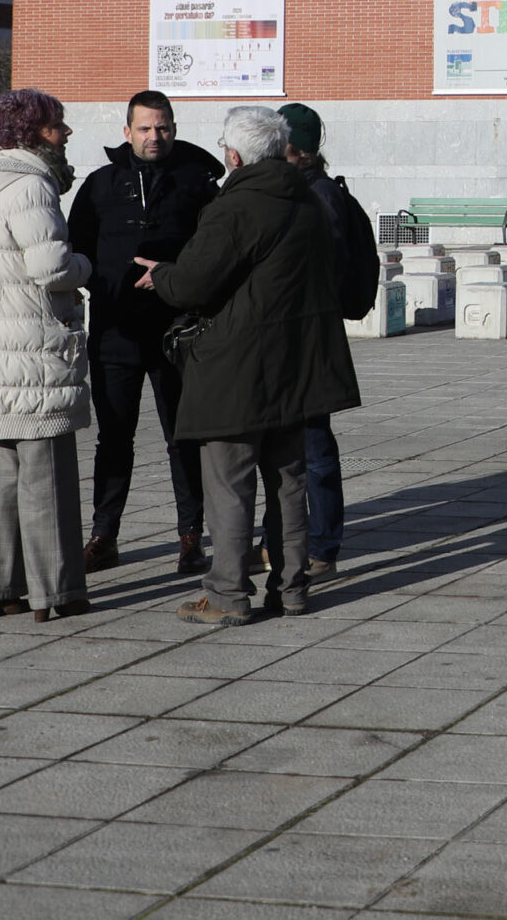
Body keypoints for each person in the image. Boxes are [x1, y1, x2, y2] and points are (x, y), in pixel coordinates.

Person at [141, 104, 361, 627]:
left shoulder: (237, 205)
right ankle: (290, 588)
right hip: (297, 365)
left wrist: (163, 275)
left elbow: (195, 281)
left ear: (235, 154)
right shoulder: (307, 199)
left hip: (238, 368)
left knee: (230, 483)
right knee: (288, 479)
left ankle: (227, 594)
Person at [0, 88, 93, 623]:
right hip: (32, 357)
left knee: (0, 480)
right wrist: (88, 268)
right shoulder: (30, 186)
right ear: (33, 134)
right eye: (58, 126)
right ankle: (57, 592)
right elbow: (51, 267)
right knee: (46, 479)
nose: (66, 134)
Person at [67, 91, 222, 575]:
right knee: (114, 438)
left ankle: (190, 536)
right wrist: (105, 286)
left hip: (176, 331)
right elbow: (77, 250)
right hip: (115, 331)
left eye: (164, 127)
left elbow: (210, 249)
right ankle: (104, 535)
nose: (156, 137)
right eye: (146, 128)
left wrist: (176, 280)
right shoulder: (100, 185)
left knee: (184, 437)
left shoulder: (196, 184)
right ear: (127, 130)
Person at [278, 102, 358, 582]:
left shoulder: (321, 196)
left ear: (298, 149)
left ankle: (323, 548)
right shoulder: (297, 190)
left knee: (314, 448)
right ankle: (285, 542)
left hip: (309, 340)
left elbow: (319, 269)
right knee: (286, 449)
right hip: (288, 337)